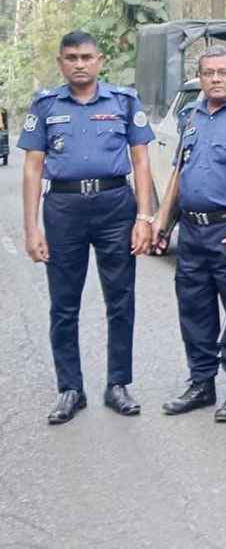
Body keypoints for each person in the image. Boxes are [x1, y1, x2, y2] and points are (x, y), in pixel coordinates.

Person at [18, 30, 156, 424]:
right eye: (71, 58)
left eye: (86, 57)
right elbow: (32, 167)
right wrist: (31, 228)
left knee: (121, 300)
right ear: (61, 63)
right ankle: (70, 389)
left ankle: (118, 384)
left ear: (100, 60)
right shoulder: (45, 106)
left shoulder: (123, 102)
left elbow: (142, 161)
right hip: (63, 208)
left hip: (116, 206)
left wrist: (144, 217)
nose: (79, 64)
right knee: (64, 304)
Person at [153, 45, 226, 421]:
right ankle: (201, 383)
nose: (214, 78)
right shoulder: (191, 115)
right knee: (194, 310)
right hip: (192, 233)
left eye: (222, 72)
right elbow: (179, 173)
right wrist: (162, 224)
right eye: (208, 72)